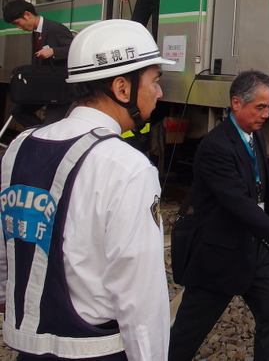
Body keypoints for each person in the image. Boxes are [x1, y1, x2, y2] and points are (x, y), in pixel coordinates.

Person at [0, 19, 173, 360]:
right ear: (122, 88)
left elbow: (7, 248)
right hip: (97, 351)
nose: (159, 92)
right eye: (154, 81)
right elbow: (140, 296)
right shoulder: (128, 167)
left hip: (29, 349)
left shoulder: (20, 146)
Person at [169, 70, 269, 361]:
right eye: (260, 107)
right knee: (190, 328)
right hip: (220, 251)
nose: (266, 114)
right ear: (236, 103)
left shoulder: (252, 135)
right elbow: (236, 201)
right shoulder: (215, 147)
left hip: (254, 246)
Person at [2, 0, 74, 128]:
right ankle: (41, 133)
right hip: (45, 87)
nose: (19, 27)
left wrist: (53, 51)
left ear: (27, 15)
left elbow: (75, 50)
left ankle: (46, 134)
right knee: (17, 111)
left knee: (51, 124)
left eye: (18, 23)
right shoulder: (36, 32)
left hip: (60, 88)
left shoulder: (55, 28)